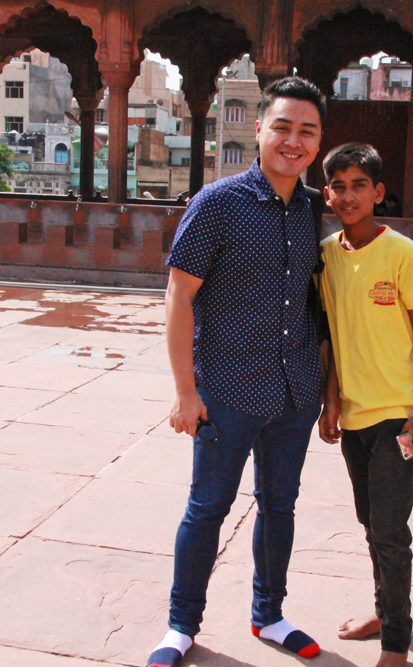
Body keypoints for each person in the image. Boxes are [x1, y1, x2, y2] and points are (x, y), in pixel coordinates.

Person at [150, 76, 327, 667]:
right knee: (208, 508)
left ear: (318, 141)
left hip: (294, 390)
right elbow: (178, 295)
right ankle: (180, 627)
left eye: (307, 131)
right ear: (259, 129)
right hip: (226, 390)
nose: (294, 141)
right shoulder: (218, 203)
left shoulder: (312, 208)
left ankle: (268, 615)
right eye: (283, 127)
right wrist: (185, 392)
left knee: (280, 505)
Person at [317, 143, 413, 667]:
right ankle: (383, 612)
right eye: (339, 186)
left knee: (391, 533)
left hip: (399, 417)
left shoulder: (404, 254)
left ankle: (396, 645)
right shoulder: (326, 256)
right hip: (354, 417)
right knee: (372, 524)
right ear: (328, 194)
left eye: (359, 186)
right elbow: (329, 333)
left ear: (379, 192)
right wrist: (330, 400)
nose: (349, 196)